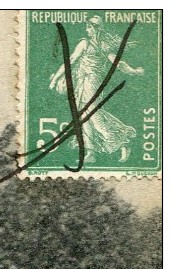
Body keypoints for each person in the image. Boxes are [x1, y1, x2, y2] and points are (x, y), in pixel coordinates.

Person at [48, 16, 145, 164]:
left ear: (94, 29)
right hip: (85, 82)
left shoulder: (85, 43)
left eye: (88, 27)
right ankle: (91, 152)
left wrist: (55, 79)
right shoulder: (104, 45)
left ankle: (122, 140)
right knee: (83, 115)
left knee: (94, 114)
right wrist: (135, 71)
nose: (86, 30)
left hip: (91, 82)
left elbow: (71, 61)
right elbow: (119, 64)